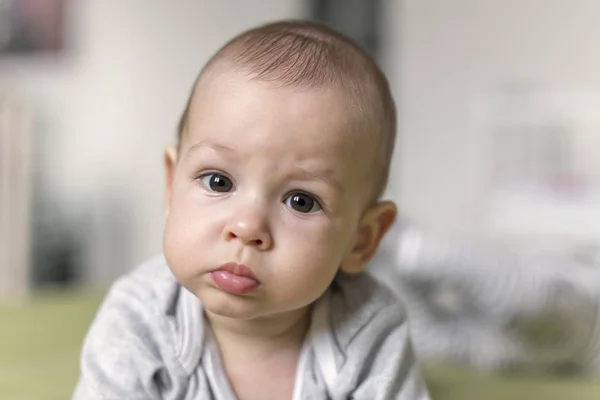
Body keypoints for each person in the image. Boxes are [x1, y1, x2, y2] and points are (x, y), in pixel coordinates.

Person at [73, 20, 430, 400]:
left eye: (301, 201)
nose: (246, 227)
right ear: (171, 185)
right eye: (218, 182)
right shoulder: (139, 322)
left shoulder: (368, 331)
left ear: (361, 240)